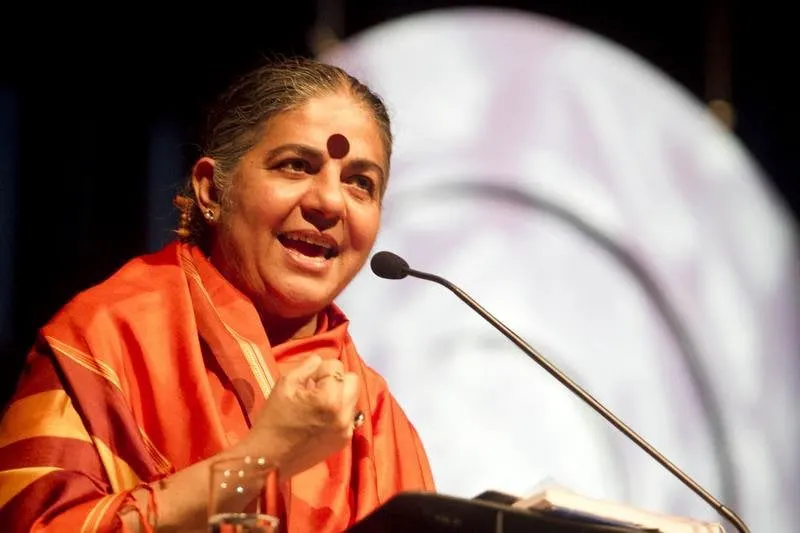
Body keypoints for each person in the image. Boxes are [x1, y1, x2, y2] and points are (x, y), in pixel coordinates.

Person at [0, 56, 435, 532]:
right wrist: (263, 458)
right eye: (295, 166)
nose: (329, 202)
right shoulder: (107, 337)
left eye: (360, 183)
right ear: (210, 190)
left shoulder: (375, 415)